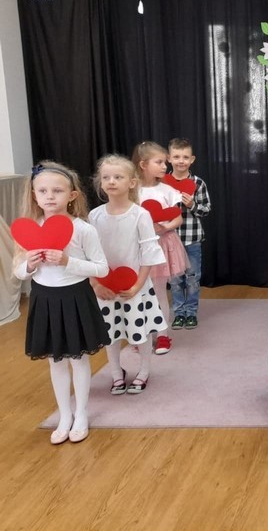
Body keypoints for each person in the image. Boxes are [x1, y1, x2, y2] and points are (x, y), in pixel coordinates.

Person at [14, 161, 110, 444]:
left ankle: (81, 413)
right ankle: (64, 415)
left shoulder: (83, 229)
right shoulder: (29, 229)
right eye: (42, 191)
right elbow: (18, 272)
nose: (49, 196)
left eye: (57, 190)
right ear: (34, 195)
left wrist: (68, 261)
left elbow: (101, 268)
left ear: (72, 195)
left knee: (78, 359)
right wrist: (29, 265)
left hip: (75, 298)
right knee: (55, 361)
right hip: (44, 300)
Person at [89, 155, 167, 395]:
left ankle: (143, 371)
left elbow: (148, 253)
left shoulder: (140, 215)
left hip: (135, 286)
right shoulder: (95, 216)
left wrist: (137, 286)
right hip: (105, 287)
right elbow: (89, 254)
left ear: (132, 182)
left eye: (118, 177)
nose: (111, 181)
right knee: (110, 333)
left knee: (139, 331)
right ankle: (116, 373)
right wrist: (95, 284)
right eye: (106, 177)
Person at [132, 141, 187, 355]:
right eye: (159, 162)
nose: (165, 166)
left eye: (165, 162)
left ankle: (163, 334)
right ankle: (142, 333)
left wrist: (163, 229)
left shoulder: (167, 190)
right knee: (139, 292)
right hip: (137, 247)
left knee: (159, 291)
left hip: (162, 244)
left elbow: (177, 218)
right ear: (143, 164)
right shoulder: (132, 190)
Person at [167, 138, 211, 331]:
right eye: (176, 156)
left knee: (192, 277)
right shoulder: (163, 183)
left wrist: (191, 204)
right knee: (175, 279)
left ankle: (191, 312)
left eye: (185, 157)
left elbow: (206, 210)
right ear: (169, 158)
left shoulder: (198, 183)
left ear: (192, 159)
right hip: (170, 239)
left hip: (192, 239)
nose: (181, 161)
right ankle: (179, 313)